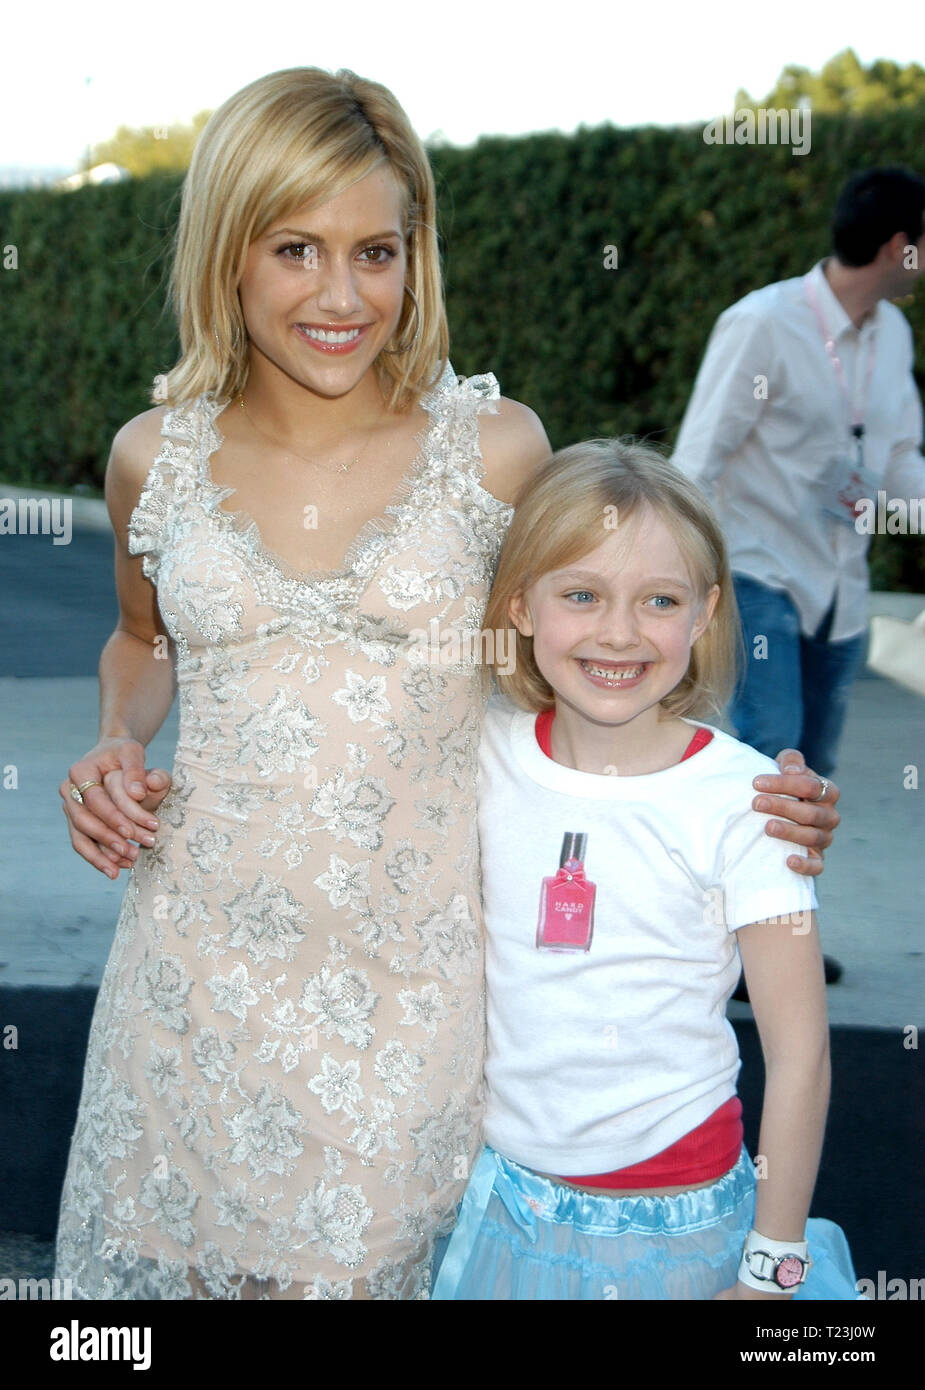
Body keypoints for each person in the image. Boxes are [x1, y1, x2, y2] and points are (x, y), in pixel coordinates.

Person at [54, 67, 841, 1301]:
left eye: (377, 251)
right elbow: (145, 639)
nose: (340, 293)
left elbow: (596, 654)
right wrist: (112, 734)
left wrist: (744, 793)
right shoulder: (150, 459)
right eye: (295, 249)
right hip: (188, 990)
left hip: (413, 1010)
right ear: (227, 252)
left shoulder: (498, 450)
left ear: (417, 254)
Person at [431, 439, 859, 1300]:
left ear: (702, 615)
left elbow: (801, 1052)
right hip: (507, 1205)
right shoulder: (474, 754)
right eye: (581, 595)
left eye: (657, 600)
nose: (618, 632)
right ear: (518, 604)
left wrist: (771, 1268)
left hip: (683, 1221)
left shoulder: (752, 799)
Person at [671, 165, 925, 781]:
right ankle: (740, 877)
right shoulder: (762, 323)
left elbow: (898, 464)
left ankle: (788, 880)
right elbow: (697, 460)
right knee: (772, 751)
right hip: (759, 572)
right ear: (899, 246)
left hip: (841, 589)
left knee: (817, 767)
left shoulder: (893, 334)